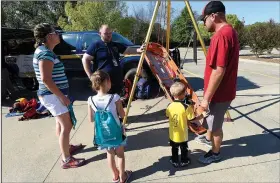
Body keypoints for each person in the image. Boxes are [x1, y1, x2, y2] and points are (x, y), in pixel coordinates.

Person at [33, 23, 85, 169]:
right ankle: (67, 159)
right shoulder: (45, 53)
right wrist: (62, 97)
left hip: (52, 95)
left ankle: (66, 147)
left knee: (59, 123)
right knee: (66, 125)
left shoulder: (45, 51)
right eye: (55, 32)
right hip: (53, 96)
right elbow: (46, 79)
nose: (58, 35)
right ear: (49, 36)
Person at [195, 1, 240, 164]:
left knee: (215, 127)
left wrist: (206, 99)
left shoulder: (221, 35)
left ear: (213, 16)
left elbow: (218, 70)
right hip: (223, 91)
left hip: (219, 93)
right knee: (212, 121)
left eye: (204, 19)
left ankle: (215, 153)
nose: (203, 23)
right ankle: (209, 141)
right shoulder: (230, 31)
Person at [87, 70, 132, 183]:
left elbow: (91, 119)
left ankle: (115, 176)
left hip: (102, 132)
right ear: (107, 82)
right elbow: (122, 114)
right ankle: (123, 176)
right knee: (120, 154)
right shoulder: (114, 97)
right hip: (116, 130)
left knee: (109, 153)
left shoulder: (90, 100)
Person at [82, 24, 145, 95]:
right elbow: (85, 59)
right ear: (100, 34)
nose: (109, 35)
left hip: (117, 81)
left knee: (117, 101)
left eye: (110, 33)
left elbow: (127, 50)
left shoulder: (115, 45)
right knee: (106, 102)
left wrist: (139, 50)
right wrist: (90, 76)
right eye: (106, 33)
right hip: (103, 82)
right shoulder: (95, 45)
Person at [166, 82, 207, 168]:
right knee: (184, 148)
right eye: (185, 92)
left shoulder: (169, 106)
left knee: (174, 148)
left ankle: (175, 161)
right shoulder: (186, 107)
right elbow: (191, 119)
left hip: (173, 133)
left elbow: (167, 116)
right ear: (183, 94)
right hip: (182, 134)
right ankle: (184, 161)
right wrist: (201, 116)